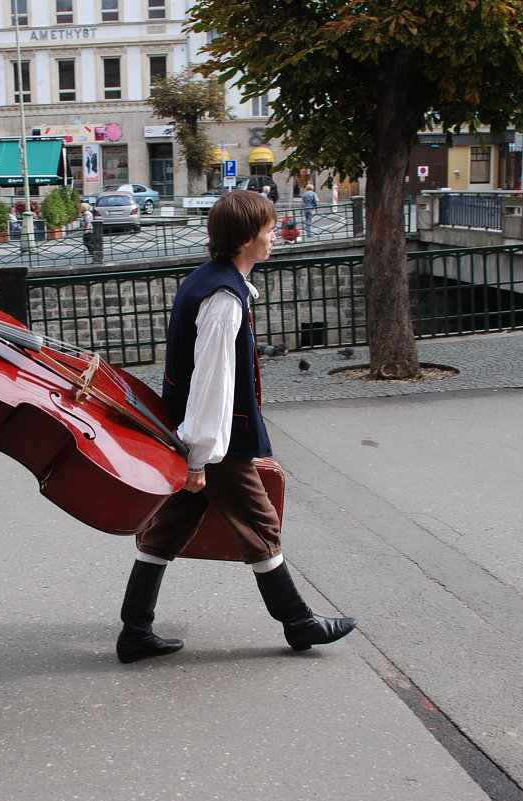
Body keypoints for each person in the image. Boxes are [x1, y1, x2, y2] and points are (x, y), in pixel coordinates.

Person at [114, 190, 356, 663]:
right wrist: (199, 458)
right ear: (247, 238)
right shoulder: (223, 298)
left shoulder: (209, 281)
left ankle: (134, 631)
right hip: (215, 444)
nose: (275, 237)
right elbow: (212, 385)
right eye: (269, 229)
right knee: (260, 525)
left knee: (167, 529)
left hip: (197, 437)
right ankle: (299, 623)